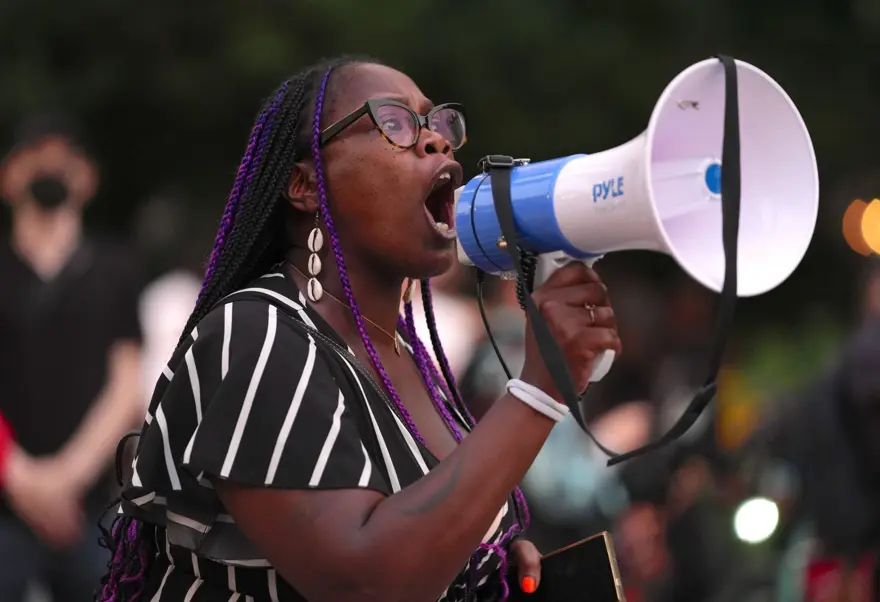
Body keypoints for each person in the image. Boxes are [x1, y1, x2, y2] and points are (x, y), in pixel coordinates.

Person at [98, 56, 621, 602]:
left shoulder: (407, 354)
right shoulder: (255, 334)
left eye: (440, 125)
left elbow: (416, 535)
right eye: (394, 123)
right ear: (304, 184)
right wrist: (537, 393)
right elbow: (364, 583)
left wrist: (475, 558)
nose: (437, 142)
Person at [0, 114, 144, 601]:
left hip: (89, 514)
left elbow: (127, 385)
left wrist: (64, 479)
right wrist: (19, 478)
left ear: (88, 178)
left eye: (64, 157)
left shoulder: (115, 269)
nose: (50, 167)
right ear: (8, 175)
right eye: (36, 155)